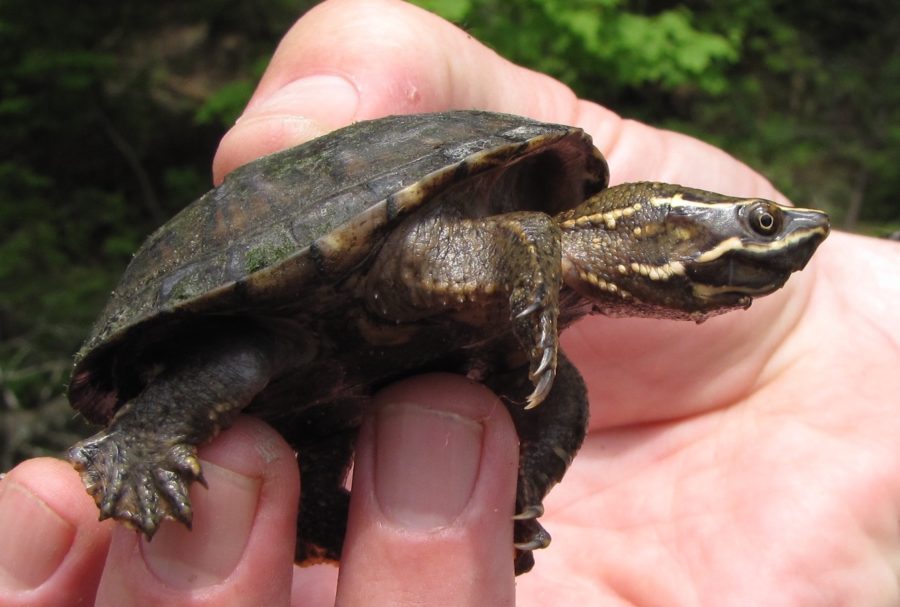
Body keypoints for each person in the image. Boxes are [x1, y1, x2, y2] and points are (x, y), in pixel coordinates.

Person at [2, 1, 898, 605]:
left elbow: (529, 340)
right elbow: (459, 257)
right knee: (240, 362)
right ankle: (145, 437)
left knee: (521, 414)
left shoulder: (558, 353)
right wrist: (530, 268)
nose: (790, 236)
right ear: (658, 224)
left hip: (334, 405)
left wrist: (516, 495)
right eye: (758, 223)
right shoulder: (519, 230)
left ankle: (341, 520)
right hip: (250, 314)